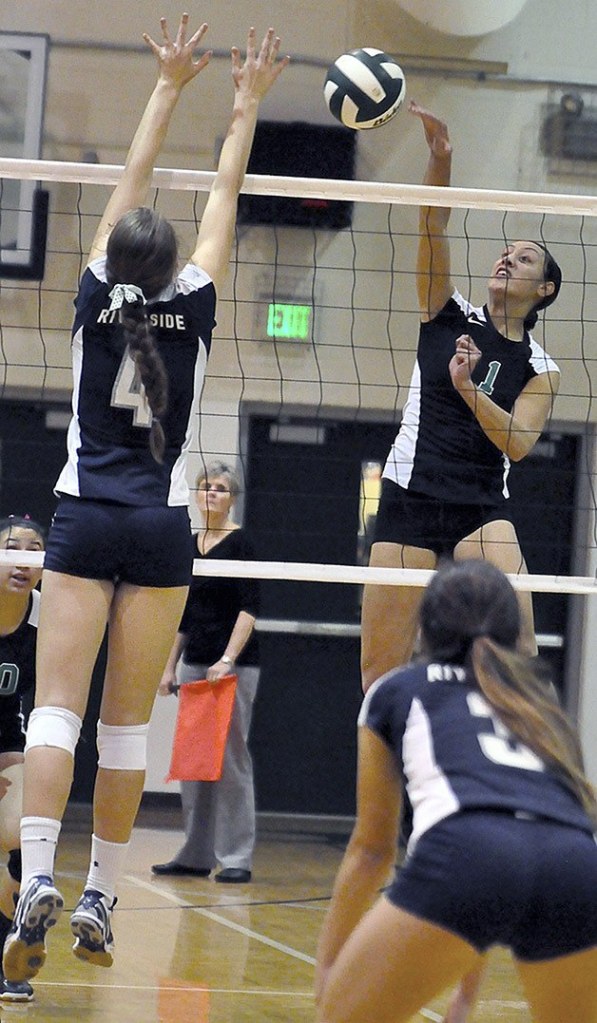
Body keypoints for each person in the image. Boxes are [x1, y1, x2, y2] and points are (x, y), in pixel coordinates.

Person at [2, 15, 288, 985]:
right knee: (127, 729)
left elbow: (130, 187)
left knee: (55, 715)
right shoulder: (198, 301)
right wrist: (242, 103)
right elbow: (224, 195)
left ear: (112, 262)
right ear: (172, 270)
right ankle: (100, 893)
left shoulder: (90, 297)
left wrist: (165, 86)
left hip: (84, 511)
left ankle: (38, 874)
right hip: (163, 527)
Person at [316, 558, 597, 1023]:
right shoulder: (538, 701)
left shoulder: (395, 690)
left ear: (426, 627)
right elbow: (509, 844)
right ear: (512, 629)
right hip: (578, 864)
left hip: (468, 853)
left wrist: (328, 966)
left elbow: (372, 851)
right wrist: (466, 997)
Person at [360, 100, 562, 695]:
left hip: (480, 508)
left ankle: (520, 778)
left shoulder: (542, 367)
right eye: (506, 251)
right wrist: (439, 158)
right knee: (381, 671)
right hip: (409, 494)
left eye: (524, 258)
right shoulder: (446, 315)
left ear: (544, 289)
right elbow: (431, 226)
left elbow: (519, 444)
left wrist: (470, 391)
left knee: (520, 651)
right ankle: (387, 785)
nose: (507, 257)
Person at [152, 461, 260, 884]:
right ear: (196, 496)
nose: (211, 493)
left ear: (232, 498)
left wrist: (227, 659)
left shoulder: (243, 543)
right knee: (194, 762)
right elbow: (184, 614)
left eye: (219, 488)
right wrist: (168, 666)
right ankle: (196, 854)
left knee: (231, 760)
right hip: (196, 662)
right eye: (205, 487)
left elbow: (250, 608)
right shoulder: (189, 544)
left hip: (234, 666)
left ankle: (236, 857)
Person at [0, 516, 45, 1002]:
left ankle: (11, 959)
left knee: (18, 834)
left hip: (8, 739)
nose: (26, 558)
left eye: (36, 550)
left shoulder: (46, 615)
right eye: (14, 548)